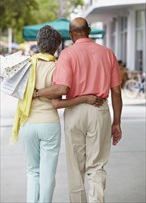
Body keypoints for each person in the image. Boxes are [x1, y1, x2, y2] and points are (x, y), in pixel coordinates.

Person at [33, 17, 123, 203]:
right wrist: (117, 122)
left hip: (74, 111)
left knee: (75, 165)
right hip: (99, 110)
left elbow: (61, 88)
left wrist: (37, 93)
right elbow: (116, 91)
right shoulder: (107, 53)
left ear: (72, 34)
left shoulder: (66, 55)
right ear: (89, 31)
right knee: (97, 164)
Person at [11, 25, 102, 203]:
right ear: (56, 47)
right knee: (47, 174)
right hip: (49, 124)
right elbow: (60, 93)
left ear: (37, 43)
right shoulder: (58, 66)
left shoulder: (26, 65)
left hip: (27, 123)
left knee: (32, 171)